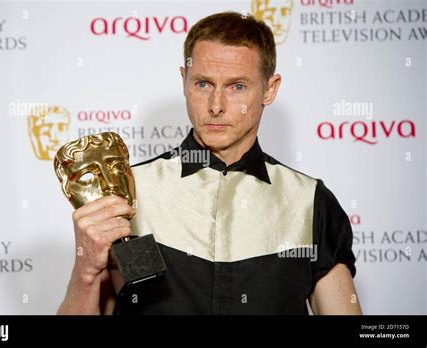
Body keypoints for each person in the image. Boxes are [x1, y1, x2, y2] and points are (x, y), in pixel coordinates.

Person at [57, 11, 362, 315]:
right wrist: (86, 273)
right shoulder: (127, 193)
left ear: (269, 89)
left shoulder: (308, 202)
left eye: (237, 86)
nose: (216, 106)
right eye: (203, 84)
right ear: (184, 81)